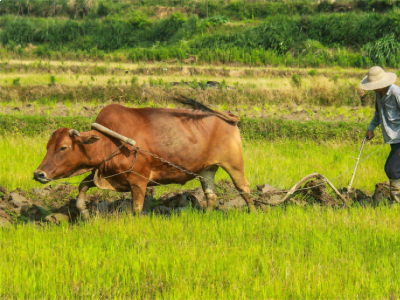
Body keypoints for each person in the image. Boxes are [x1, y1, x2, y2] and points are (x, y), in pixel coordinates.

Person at [362, 66, 400, 202]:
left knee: (392, 168)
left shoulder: (395, 92)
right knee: (393, 168)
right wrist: (371, 128)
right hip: (393, 139)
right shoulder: (378, 95)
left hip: (399, 137)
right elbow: (378, 114)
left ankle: (397, 201)